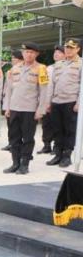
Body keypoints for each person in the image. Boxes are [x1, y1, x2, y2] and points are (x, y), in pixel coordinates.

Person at [2, 42, 49, 174]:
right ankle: (15, 163)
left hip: (30, 110)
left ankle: (25, 164)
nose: (28, 54)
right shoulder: (14, 69)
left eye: (32, 52)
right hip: (14, 108)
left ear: (36, 54)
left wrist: (40, 110)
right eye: (26, 52)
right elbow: (9, 90)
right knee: (13, 137)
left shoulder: (41, 68)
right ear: (22, 53)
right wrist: (7, 108)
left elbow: (44, 91)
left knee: (28, 138)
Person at [46, 38, 82, 168]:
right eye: (67, 47)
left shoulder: (81, 64)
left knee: (70, 130)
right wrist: (48, 101)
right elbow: (51, 84)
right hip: (56, 101)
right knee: (57, 129)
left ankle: (67, 156)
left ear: (78, 49)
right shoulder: (58, 64)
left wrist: (79, 103)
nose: (68, 49)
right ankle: (58, 154)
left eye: (71, 47)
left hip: (71, 102)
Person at [37, 44, 65, 155]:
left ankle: (57, 147)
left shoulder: (64, 68)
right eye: (55, 52)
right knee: (46, 124)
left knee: (57, 125)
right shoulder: (48, 68)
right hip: (45, 100)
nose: (56, 54)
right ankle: (46, 145)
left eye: (59, 52)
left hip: (57, 101)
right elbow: (42, 85)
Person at [1, 50, 24, 152]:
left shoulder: (23, 70)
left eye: (14, 58)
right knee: (10, 124)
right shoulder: (10, 71)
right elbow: (7, 87)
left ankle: (18, 144)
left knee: (18, 126)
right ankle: (11, 143)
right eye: (12, 58)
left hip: (19, 102)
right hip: (9, 100)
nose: (12, 60)